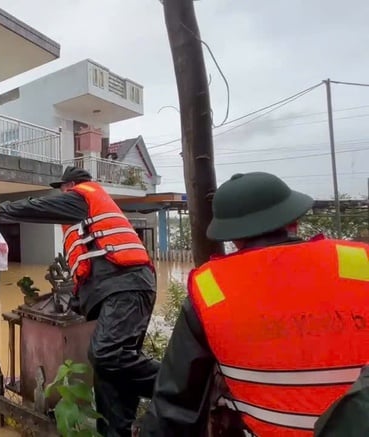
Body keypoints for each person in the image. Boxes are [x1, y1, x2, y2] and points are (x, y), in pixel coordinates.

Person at [140, 172, 369, 436]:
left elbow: (174, 405)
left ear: (231, 237)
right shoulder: (359, 261)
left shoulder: (210, 288)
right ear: (294, 220)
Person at [0, 166, 160, 437]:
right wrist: (78, 302)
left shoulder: (82, 196)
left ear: (71, 185)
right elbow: (89, 265)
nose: (60, 194)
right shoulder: (85, 220)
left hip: (127, 285)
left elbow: (41, 207)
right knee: (109, 375)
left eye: (62, 188)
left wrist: (3, 210)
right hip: (116, 290)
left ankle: (182, 386)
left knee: (105, 354)